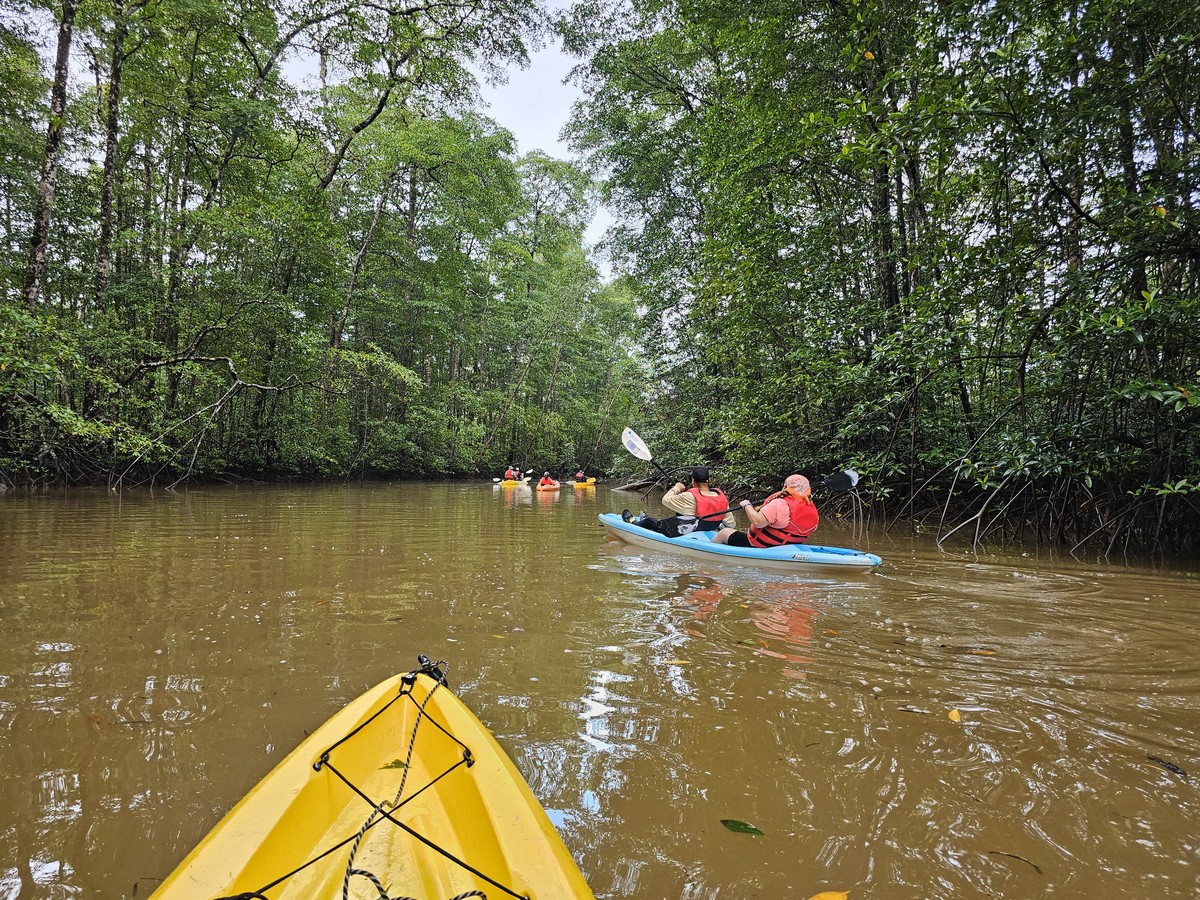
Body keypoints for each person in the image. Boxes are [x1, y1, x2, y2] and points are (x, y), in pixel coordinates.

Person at [621, 465, 734, 535]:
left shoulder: (688, 496)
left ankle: (632, 522)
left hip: (688, 531)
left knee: (650, 522)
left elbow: (665, 500)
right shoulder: (721, 497)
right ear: (709, 480)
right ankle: (644, 519)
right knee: (670, 518)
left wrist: (677, 488)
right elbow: (731, 525)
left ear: (693, 481)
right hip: (708, 530)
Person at [712, 474, 818, 547]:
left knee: (724, 532)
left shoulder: (780, 504)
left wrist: (747, 505)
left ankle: (708, 551)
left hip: (760, 546)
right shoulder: (811, 507)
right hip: (788, 548)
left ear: (785, 487)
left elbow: (757, 522)